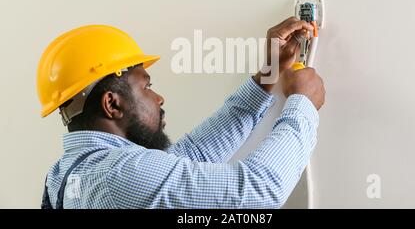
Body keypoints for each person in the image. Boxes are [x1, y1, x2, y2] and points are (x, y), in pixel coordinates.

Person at [37, 17, 325, 209]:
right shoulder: (119, 175)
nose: (158, 97)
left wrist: (269, 76)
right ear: (112, 104)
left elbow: (189, 157)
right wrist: (303, 103)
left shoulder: (66, 175)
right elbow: (256, 190)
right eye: (146, 86)